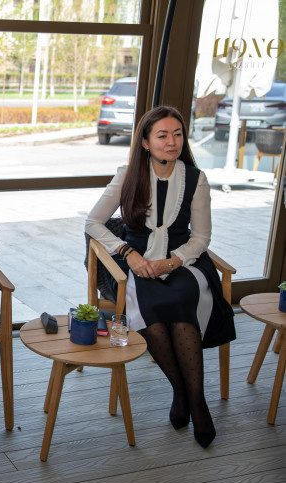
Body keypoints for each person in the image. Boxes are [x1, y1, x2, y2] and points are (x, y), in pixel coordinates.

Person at [85, 105, 235, 449]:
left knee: (181, 302)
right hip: (136, 262)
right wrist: (128, 253)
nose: (172, 142)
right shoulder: (128, 175)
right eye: (163, 135)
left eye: (177, 134)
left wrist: (171, 262)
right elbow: (93, 222)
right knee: (151, 311)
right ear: (145, 142)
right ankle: (181, 392)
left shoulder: (196, 179)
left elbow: (201, 238)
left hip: (184, 261)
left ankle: (196, 402)